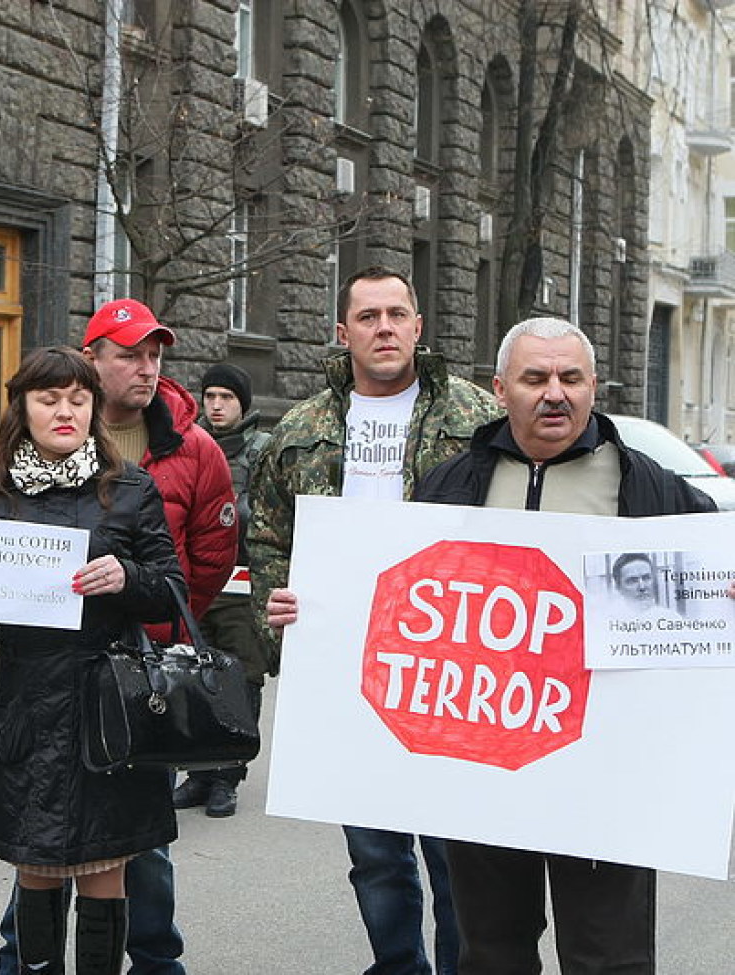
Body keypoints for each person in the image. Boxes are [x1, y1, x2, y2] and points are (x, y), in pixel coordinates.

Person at [411, 316, 716, 974]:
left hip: (606, 773)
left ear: (593, 386)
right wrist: (316, 612)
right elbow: (398, 608)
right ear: (500, 389)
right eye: (535, 377)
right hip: (483, 768)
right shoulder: (450, 486)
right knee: (490, 950)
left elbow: (712, 587)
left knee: (607, 955)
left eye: (571, 377)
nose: (556, 392)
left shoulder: (652, 487)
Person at [249, 266, 500, 975]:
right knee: (375, 851)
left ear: (419, 327)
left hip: (451, 670)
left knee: (457, 854)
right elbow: (268, 537)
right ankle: (398, 965)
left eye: (397, 314)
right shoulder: (301, 429)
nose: (384, 327)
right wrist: (278, 611)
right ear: (343, 333)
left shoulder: (478, 419)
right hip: (345, 671)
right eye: (368, 316)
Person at [0, 346, 186, 975]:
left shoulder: (131, 489)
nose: (65, 411)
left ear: (94, 407)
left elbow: (172, 591)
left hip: (107, 708)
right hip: (28, 704)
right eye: (49, 398)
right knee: (34, 864)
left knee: (104, 869)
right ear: (22, 408)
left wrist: (127, 576)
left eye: (78, 399)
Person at [0, 298, 237, 975]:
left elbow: (198, 566)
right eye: (131, 353)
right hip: (37, 694)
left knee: (132, 858)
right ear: (92, 358)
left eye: (155, 354)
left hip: (130, 684)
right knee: (39, 857)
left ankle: (156, 964)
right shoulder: (4, 481)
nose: (147, 367)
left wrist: (140, 609)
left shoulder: (178, 455)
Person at [170, 362, 273, 819]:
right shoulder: (191, 445)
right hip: (199, 583)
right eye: (210, 396)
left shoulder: (263, 450)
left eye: (226, 398)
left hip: (245, 589)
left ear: (242, 404)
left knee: (239, 680)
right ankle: (198, 772)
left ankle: (227, 776)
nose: (215, 405)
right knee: (193, 678)